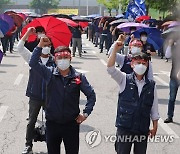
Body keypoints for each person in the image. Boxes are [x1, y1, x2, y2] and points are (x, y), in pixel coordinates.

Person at [29, 37, 96, 154]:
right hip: (52, 124)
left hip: (71, 124)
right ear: (55, 60)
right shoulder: (49, 73)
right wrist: (39, 45)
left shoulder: (78, 77)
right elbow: (33, 63)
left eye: (65, 57)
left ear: (71, 58)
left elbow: (91, 95)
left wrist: (85, 114)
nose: (63, 60)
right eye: (59, 58)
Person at [107, 35, 159, 154]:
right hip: (125, 125)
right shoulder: (124, 79)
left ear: (147, 66)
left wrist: (155, 125)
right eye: (138, 63)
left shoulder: (151, 85)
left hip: (142, 126)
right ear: (132, 64)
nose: (141, 65)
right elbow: (110, 68)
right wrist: (115, 47)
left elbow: (154, 106)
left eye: (143, 63)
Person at [17, 27, 55, 154]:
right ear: (40, 43)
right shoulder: (33, 58)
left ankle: (52, 145)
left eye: (48, 43)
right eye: (44, 42)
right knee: (31, 121)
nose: (46, 45)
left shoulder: (55, 60)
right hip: (35, 95)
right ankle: (28, 145)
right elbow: (20, 48)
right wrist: (28, 33)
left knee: (52, 122)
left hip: (50, 97)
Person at [164, 38, 180, 123]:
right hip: (174, 76)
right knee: (172, 97)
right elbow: (167, 55)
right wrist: (170, 45)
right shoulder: (174, 46)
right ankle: (169, 116)